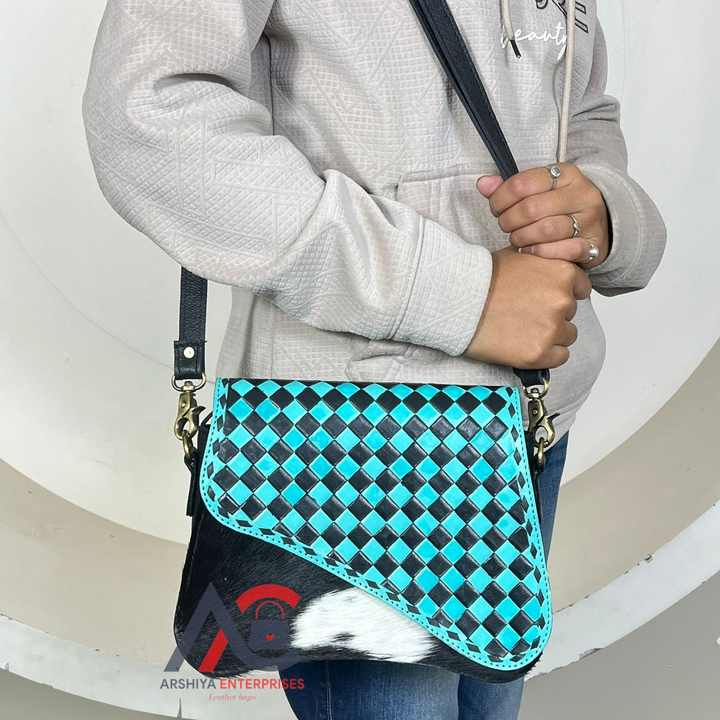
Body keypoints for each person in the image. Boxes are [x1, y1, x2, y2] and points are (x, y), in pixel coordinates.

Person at [83, 1, 666, 718]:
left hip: (530, 419)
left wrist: (599, 207)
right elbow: (148, 117)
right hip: (363, 443)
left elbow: (576, 103)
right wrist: (462, 295)